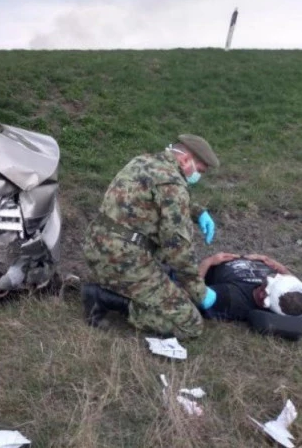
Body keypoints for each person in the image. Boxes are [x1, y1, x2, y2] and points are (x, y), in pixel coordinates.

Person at [81, 134, 220, 339]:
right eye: (199, 170)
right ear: (185, 160)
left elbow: (159, 197)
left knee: (163, 280)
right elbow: (178, 250)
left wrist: (198, 212)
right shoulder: (172, 183)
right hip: (123, 260)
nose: (198, 176)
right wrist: (199, 292)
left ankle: (115, 285)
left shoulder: (143, 161)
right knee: (190, 324)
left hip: (96, 246)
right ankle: (104, 299)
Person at [194, 252, 302, 321]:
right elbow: (288, 276)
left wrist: (208, 262)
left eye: (264, 294)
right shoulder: (284, 290)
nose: (261, 294)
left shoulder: (232, 297)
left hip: (203, 272)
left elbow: (194, 292)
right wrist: (266, 259)